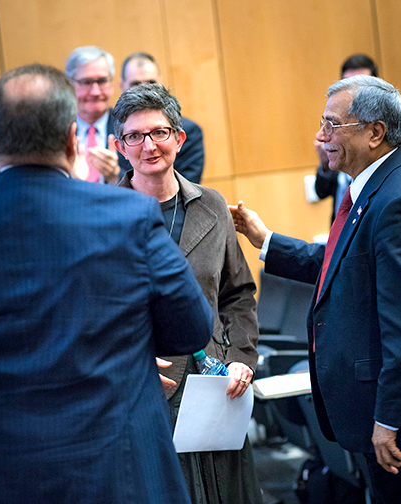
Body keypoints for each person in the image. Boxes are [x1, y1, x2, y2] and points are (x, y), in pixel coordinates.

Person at [0, 64, 214, 504]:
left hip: (0, 471)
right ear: (71, 137)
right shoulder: (128, 216)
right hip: (121, 468)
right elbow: (193, 327)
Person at [230, 76, 401, 504]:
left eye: (333, 125)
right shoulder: (371, 190)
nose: (320, 136)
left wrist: (390, 419)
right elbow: (343, 267)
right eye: (322, 122)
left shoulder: (398, 202)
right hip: (381, 414)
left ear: (375, 132)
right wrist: (268, 242)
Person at [112, 83, 262, 504]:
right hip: (146, 390)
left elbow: (239, 295)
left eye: (159, 132)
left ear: (179, 138)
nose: (149, 145)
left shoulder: (212, 205)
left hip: (215, 385)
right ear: (120, 146)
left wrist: (241, 361)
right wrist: (131, 366)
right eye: (135, 136)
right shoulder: (104, 216)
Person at [119, 52, 205, 183]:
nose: (144, 90)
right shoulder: (111, 131)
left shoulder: (189, 130)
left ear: (161, 83)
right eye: (135, 84)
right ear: (122, 86)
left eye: (151, 83)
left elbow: (188, 188)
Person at [315, 54, 378, 221]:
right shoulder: (335, 128)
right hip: (338, 233)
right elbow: (321, 192)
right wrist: (325, 165)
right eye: (348, 85)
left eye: (361, 85)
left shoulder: (385, 136)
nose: (354, 93)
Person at [65, 46, 121, 183]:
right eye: (86, 82)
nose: (95, 92)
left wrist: (115, 176)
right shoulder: (55, 131)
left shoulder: (129, 126)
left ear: (111, 84)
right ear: (70, 85)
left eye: (102, 81)